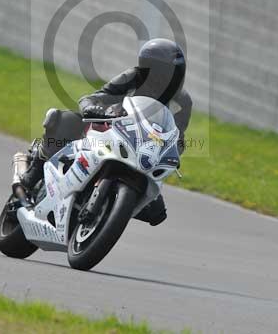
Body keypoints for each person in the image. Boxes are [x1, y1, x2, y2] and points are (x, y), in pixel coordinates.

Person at [11, 38, 192, 226]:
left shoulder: (182, 102)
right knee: (64, 120)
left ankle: (111, 210)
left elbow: (177, 136)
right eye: (158, 72)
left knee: (157, 213)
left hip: (142, 150)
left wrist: (173, 152)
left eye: (170, 73)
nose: (163, 78)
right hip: (111, 130)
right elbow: (94, 97)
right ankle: (35, 170)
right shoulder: (133, 77)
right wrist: (93, 108)